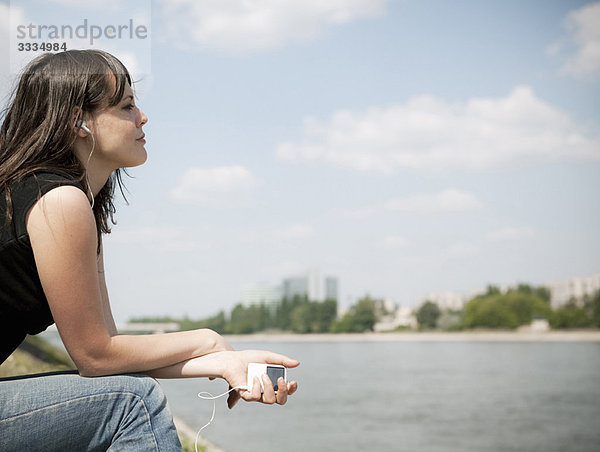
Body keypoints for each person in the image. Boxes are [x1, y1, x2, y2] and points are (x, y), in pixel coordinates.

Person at [0, 49, 299, 451]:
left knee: (129, 389)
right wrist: (208, 340)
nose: (143, 117)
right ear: (78, 121)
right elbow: (94, 355)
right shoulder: (58, 202)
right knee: (133, 402)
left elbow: (110, 349)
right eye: (126, 106)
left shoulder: (71, 203)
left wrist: (225, 362)